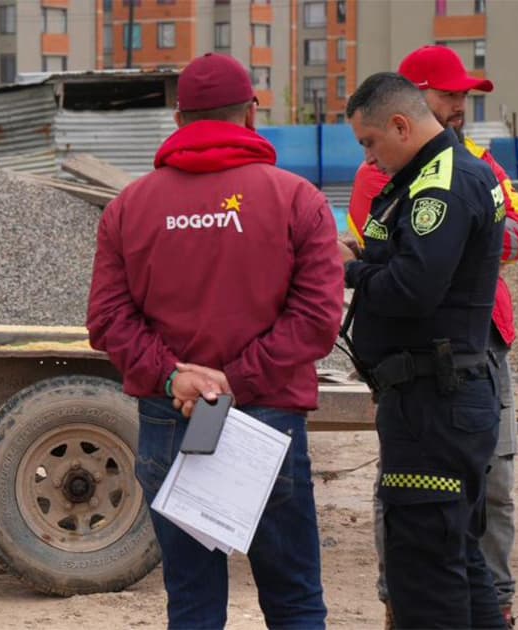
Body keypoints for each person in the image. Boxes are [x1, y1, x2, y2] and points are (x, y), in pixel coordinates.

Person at [86, 52, 342, 629]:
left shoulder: (130, 207)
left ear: (178, 121)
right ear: (251, 114)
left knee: (194, 603)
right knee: (294, 597)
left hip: (170, 418)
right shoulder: (297, 199)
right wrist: (239, 379)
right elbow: (318, 318)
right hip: (266, 423)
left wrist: (178, 376)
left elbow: (107, 319)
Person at [346, 45, 518, 629]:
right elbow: (396, 260)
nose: (369, 156)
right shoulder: (422, 175)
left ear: (400, 124)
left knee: (425, 568)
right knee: (455, 556)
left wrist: (346, 270)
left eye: (371, 143)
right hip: (433, 396)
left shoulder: (443, 181)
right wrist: (361, 259)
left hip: (436, 400)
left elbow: (412, 288)